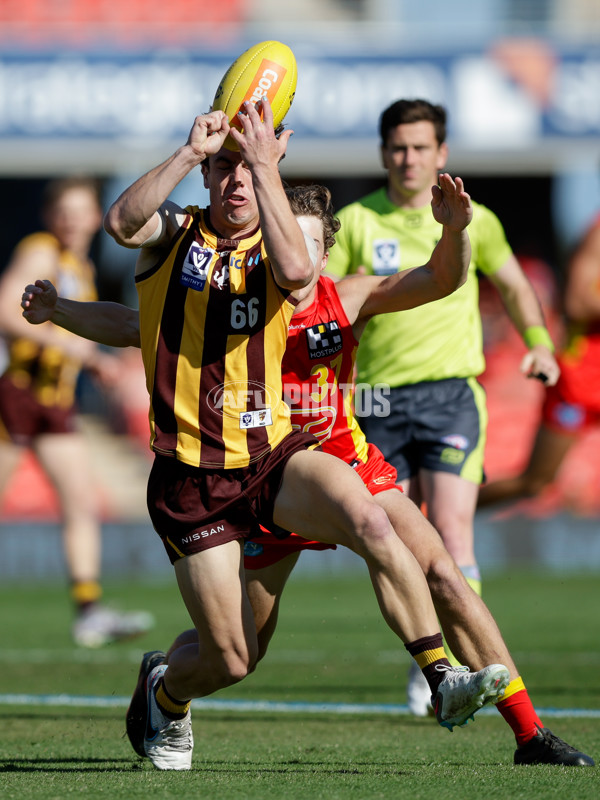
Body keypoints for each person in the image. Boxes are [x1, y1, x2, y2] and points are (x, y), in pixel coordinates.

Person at [22, 183, 594, 767]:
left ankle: (525, 732)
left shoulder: (344, 297)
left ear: (323, 255)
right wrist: (60, 312)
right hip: (259, 476)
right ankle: (168, 684)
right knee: (237, 654)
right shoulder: (231, 300)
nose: (291, 251)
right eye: (280, 237)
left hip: (341, 464)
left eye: (306, 243)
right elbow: (137, 325)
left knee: (439, 568)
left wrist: (453, 230)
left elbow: (440, 280)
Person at [325, 99, 561, 715]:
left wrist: (538, 345)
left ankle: (466, 668)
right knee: (398, 543)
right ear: (384, 153)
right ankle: (432, 663)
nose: (409, 158)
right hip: (374, 399)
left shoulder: (470, 218)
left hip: (451, 393)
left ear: (442, 154)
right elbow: (321, 301)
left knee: (454, 531)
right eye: (399, 147)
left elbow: (513, 284)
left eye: (421, 147)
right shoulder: (353, 222)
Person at [0, 176, 154, 648]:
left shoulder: (78, 266)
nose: (71, 219)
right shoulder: (41, 251)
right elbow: (7, 313)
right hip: (16, 392)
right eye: (63, 211)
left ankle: (89, 609)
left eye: (80, 210)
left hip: (52, 400)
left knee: (80, 500)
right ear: (51, 217)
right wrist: (85, 357)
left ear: (94, 216)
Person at [478, 212, 600, 508]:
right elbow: (577, 300)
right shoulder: (597, 234)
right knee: (536, 482)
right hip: (584, 378)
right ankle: (434, 513)